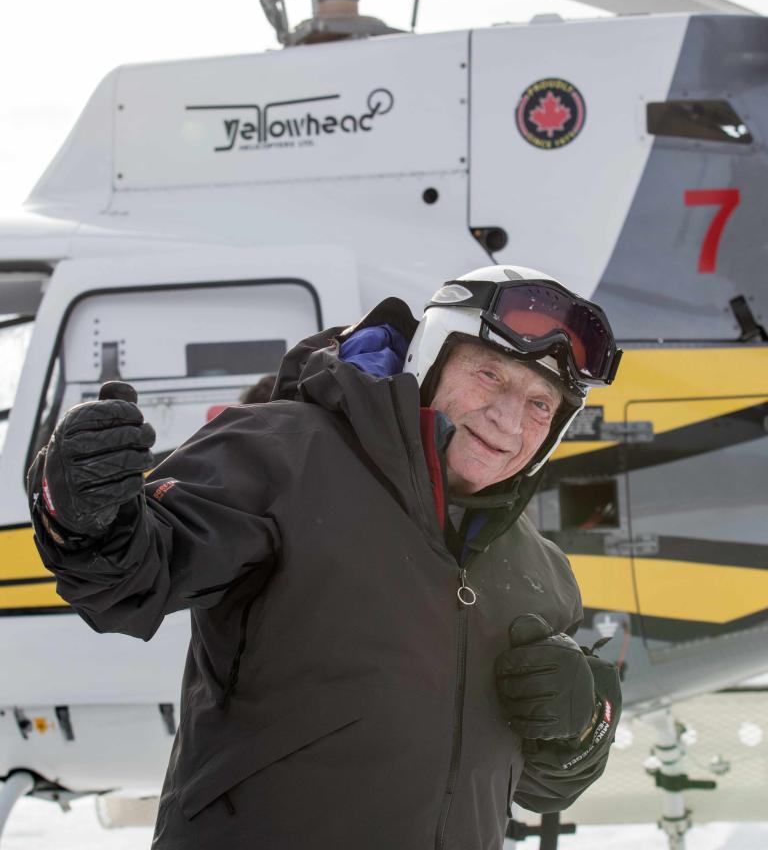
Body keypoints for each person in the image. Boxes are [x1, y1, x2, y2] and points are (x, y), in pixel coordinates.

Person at [27, 265, 623, 850]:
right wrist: (80, 508)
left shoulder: (541, 574)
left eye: (541, 404)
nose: (509, 419)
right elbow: (132, 575)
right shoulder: (284, 455)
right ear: (431, 359)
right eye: (490, 375)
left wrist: (583, 725)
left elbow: (543, 785)